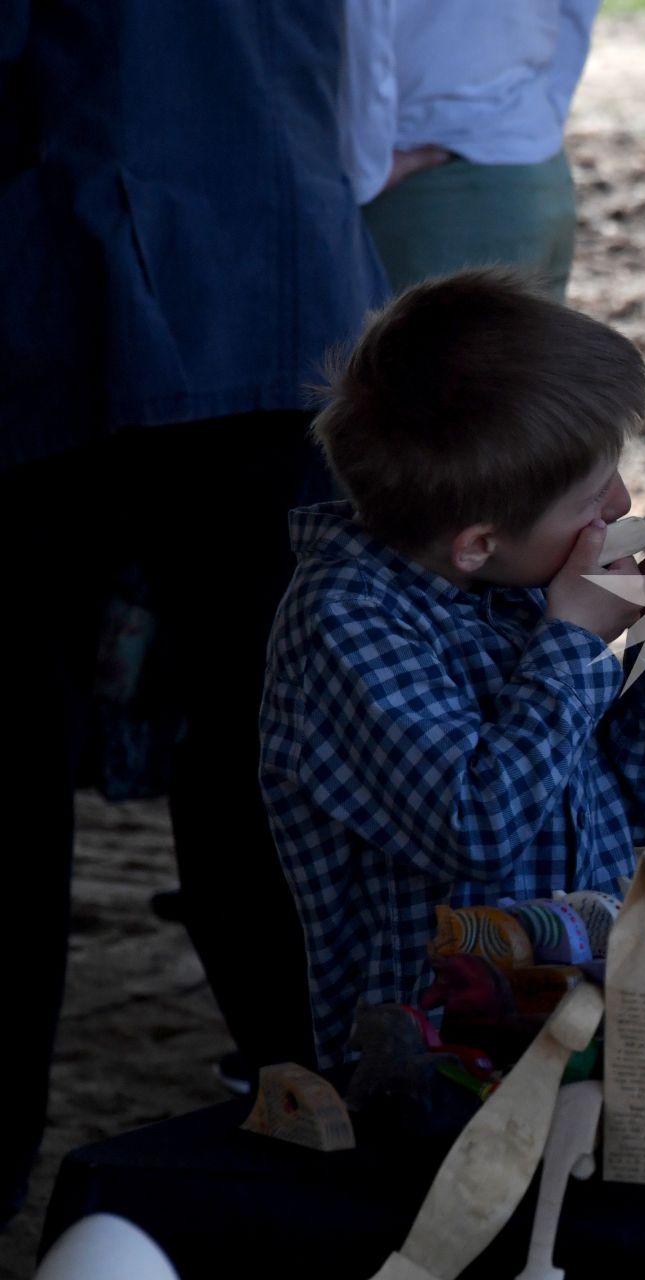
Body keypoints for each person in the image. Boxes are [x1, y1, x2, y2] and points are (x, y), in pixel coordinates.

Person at [0, 0, 385, 1222]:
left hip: (54, 294)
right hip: (265, 277)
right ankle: (336, 1128)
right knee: (277, 745)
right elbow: (366, 93)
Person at [262, 269, 645, 1068]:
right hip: (442, 1065)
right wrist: (577, 641)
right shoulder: (346, 623)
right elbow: (479, 831)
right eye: (591, 493)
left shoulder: (514, 582)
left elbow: (631, 808)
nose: (621, 504)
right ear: (477, 540)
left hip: (573, 1022)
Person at [341, 0, 602, 296]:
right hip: (533, 174)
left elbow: (364, 26)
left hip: (429, 187)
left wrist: (363, 167)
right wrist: (537, 119)